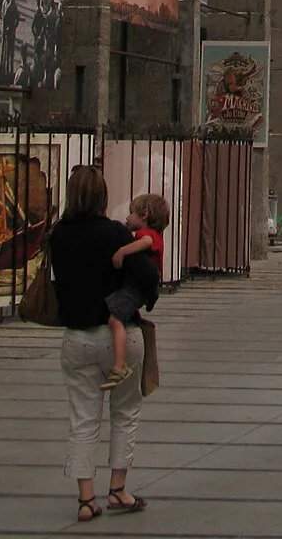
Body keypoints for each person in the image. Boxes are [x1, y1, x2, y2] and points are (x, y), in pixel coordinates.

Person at [48, 164, 148, 522]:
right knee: (125, 412)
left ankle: (86, 499)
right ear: (103, 196)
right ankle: (119, 490)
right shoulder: (116, 233)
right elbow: (147, 277)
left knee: (82, 419)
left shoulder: (58, 235)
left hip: (76, 338)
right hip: (119, 335)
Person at [99, 193, 168, 391]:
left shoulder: (148, 236)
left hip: (136, 288)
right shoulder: (149, 235)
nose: (127, 218)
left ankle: (119, 365)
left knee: (115, 319)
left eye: (131, 213)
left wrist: (122, 251)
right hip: (136, 287)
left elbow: (145, 243)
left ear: (144, 215)